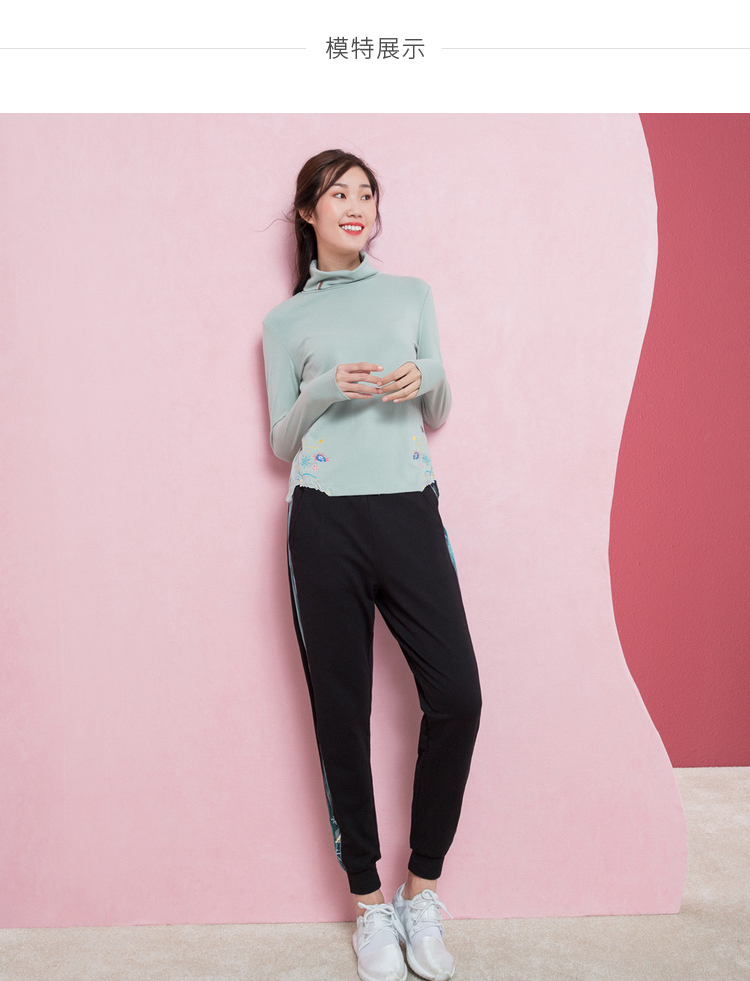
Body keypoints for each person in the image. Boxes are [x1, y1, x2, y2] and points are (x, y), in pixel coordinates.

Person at [262, 149, 482, 981]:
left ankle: (421, 890)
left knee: (458, 694)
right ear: (308, 212)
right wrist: (325, 388)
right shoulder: (284, 322)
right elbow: (280, 438)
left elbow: (440, 402)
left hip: (408, 509)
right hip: (323, 519)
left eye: (366, 193)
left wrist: (424, 372)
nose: (355, 205)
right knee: (341, 712)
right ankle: (368, 905)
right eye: (337, 193)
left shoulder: (411, 294)